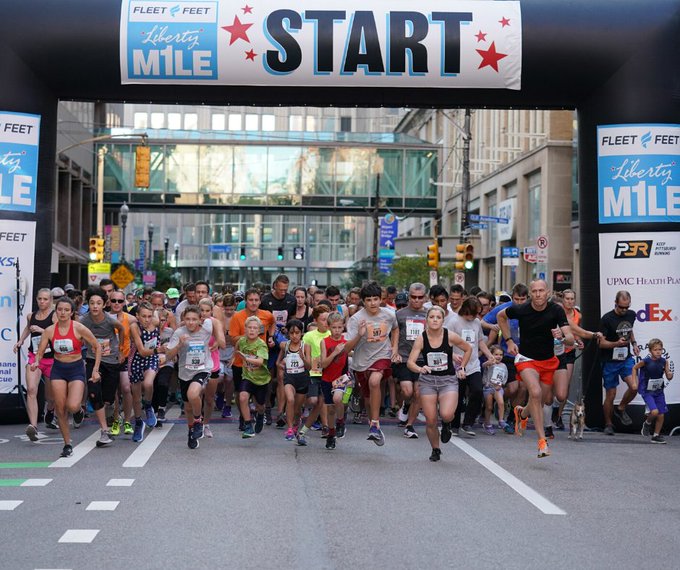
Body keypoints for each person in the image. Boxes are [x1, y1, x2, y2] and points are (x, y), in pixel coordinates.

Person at [497, 279, 574, 458]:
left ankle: (522, 413)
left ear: (548, 293)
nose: (538, 294)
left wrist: (562, 336)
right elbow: (501, 317)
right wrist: (508, 341)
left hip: (548, 361)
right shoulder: (521, 309)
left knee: (541, 400)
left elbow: (570, 337)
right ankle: (542, 442)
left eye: (541, 291)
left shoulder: (556, 310)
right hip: (526, 359)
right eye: (535, 291)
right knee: (536, 392)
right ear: (530, 294)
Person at [31, 297, 102, 458]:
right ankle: (67, 444)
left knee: (72, 405)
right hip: (58, 369)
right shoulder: (49, 330)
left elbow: (96, 346)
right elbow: (40, 352)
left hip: (76, 369)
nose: (62, 312)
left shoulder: (79, 328)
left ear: (71, 312)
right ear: (56, 311)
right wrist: (36, 362)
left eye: (66, 310)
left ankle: (78, 411)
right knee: (60, 408)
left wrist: (95, 370)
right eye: (60, 309)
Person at [407, 305, 472, 461]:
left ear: (443, 320)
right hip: (428, 381)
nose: (435, 320)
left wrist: (462, 367)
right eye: (432, 317)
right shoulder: (421, 338)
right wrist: (420, 368)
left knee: (447, 414)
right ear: (427, 319)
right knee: (430, 420)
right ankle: (435, 449)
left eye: (438, 317)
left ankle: (447, 424)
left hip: (448, 380)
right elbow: (410, 362)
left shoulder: (450, 336)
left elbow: (468, 348)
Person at [344, 281, 399, 447]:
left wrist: (394, 347)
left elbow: (395, 329)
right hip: (362, 361)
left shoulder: (389, 314)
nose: (373, 303)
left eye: (376, 299)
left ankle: (375, 424)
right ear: (363, 301)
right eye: (368, 300)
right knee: (367, 399)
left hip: (382, 355)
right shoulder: (356, 320)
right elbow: (347, 348)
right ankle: (373, 424)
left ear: (381, 299)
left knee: (375, 381)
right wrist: (359, 335)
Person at [548, 289, 601, 435]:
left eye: (573, 299)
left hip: (567, 352)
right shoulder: (552, 315)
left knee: (563, 389)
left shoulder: (576, 316)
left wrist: (580, 340)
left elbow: (577, 331)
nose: (570, 301)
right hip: (549, 354)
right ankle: (547, 418)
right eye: (568, 299)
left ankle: (557, 415)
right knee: (549, 388)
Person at [80, 287, 125, 448]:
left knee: (107, 398)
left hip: (111, 361)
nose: (95, 306)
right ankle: (104, 430)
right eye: (92, 303)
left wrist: (120, 349)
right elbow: (76, 332)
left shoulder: (110, 320)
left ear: (104, 304)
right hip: (93, 360)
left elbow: (121, 329)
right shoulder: (84, 320)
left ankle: (112, 411)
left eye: (98, 303)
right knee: (93, 392)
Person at [163, 305, 213, 449]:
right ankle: (191, 430)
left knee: (193, 394)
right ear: (183, 319)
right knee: (188, 407)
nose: (191, 322)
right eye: (188, 319)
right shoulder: (179, 332)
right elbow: (168, 356)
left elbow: (214, 317)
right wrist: (179, 345)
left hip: (202, 368)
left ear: (200, 320)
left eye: (194, 319)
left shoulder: (206, 330)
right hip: (184, 371)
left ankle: (198, 421)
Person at [483, 283, 529, 434]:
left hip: (526, 355)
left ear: (527, 298)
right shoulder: (505, 308)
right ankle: (498, 398)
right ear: (512, 297)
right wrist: (493, 327)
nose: (520, 303)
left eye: (523, 299)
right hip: (507, 354)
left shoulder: (532, 309)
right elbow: (483, 321)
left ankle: (510, 418)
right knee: (513, 388)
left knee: (523, 388)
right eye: (517, 299)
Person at [228, 288, 276, 430]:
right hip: (241, 361)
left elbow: (273, 323)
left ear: (260, 301)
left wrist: (271, 336)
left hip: (259, 362)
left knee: (259, 397)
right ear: (245, 301)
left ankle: (260, 413)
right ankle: (244, 419)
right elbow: (232, 339)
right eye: (250, 300)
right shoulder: (237, 317)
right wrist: (248, 336)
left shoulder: (266, 315)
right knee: (241, 393)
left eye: (256, 300)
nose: (253, 303)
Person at [14, 288, 58, 439]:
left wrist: (42, 329)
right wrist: (20, 340)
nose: (42, 302)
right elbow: (27, 328)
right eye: (40, 299)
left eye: (45, 299)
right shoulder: (31, 316)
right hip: (34, 357)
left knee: (51, 397)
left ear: (50, 300)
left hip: (51, 359)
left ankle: (50, 411)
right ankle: (33, 426)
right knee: (31, 389)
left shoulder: (54, 316)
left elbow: (59, 335)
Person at [450, 297, 495, 436]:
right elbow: (445, 342)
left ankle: (468, 422)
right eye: (473, 313)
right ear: (466, 310)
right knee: (458, 395)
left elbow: (479, 341)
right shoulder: (454, 322)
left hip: (474, 363)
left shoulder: (476, 322)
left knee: (477, 391)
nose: (475, 317)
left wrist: (488, 355)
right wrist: (452, 355)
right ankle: (454, 425)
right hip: (457, 364)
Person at [598, 290, 640, 435]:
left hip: (625, 359)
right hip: (609, 361)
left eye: (626, 307)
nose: (624, 310)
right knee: (611, 394)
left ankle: (621, 408)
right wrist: (616, 343)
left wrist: (634, 344)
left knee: (634, 386)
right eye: (621, 307)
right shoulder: (607, 318)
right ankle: (608, 424)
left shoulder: (631, 314)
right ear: (615, 303)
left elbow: (630, 329)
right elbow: (601, 344)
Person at [393, 283, 428, 439]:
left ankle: (410, 425)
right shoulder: (399, 314)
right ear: (409, 297)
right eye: (413, 297)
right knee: (407, 392)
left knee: (418, 393)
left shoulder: (429, 314)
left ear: (425, 298)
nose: (416, 300)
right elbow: (393, 335)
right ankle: (406, 404)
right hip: (405, 358)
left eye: (420, 298)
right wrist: (395, 352)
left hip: (423, 359)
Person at [296, 305, 332, 445]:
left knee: (321, 403)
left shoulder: (331, 333)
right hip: (313, 372)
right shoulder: (309, 336)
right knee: (312, 401)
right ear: (316, 320)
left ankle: (305, 431)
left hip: (328, 373)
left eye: (327, 319)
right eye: (323, 319)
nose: (326, 322)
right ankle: (300, 411)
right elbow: (307, 355)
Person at [127, 301, 161, 442]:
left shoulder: (156, 321)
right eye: (143, 316)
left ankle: (148, 406)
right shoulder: (134, 327)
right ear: (137, 316)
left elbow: (159, 312)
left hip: (152, 358)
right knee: (136, 398)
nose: (147, 319)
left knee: (148, 384)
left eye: (149, 316)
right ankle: (139, 422)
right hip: (137, 359)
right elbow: (141, 350)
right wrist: (158, 349)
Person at [319, 312, 350, 450]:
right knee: (330, 409)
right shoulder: (324, 342)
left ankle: (341, 421)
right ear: (329, 327)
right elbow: (324, 364)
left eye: (339, 327)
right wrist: (335, 352)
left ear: (343, 327)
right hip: (327, 378)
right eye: (334, 327)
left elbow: (354, 351)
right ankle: (331, 434)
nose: (337, 331)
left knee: (338, 399)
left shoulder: (346, 341)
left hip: (341, 377)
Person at [236, 316, 271, 438]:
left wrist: (246, 358)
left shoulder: (261, 345)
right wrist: (233, 358)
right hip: (247, 376)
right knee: (243, 396)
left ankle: (261, 415)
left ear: (259, 330)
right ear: (245, 329)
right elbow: (237, 349)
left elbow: (260, 361)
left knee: (260, 405)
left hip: (261, 380)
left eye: (255, 328)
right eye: (249, 327)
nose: (251, 330)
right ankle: (248, 425)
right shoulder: (241, 341)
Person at [634, 338, 673, 444]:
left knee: (661, 415)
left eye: (660, 349)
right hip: (647, 391)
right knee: (654, 412)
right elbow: (634, 368)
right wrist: (635, 382)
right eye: (655, 350)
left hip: (659, 391)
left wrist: (670, 375)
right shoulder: (645, 361)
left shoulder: (664, 361)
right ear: (650, 351)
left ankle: (656, 436)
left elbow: (668, 374)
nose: (658, 352)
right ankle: (647, 423)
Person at [276, 319, 310, 440]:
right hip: (289, 378)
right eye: (292, 333)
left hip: (302, 379)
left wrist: (303, 357)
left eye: (297, 333)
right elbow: (278, 363)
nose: (294, 336)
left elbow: (309, 366)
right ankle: (290, 429)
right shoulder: (285, 346)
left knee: (297, 408)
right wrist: (283, 365)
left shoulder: (305, 346)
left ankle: (296, 423)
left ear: (301, 333)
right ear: (288, 334)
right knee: (290, 400)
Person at [198, 298, 226, 438]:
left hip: (212, 363)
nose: (204, 313)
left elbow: (223, 343)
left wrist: (215, 338)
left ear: (211, 311)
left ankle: (206, 424)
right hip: (196, 364)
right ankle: (197, 422)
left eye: (207, 311)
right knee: (197, 394)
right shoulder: (192, 321)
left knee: (209, 398)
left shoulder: (215, 322)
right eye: (201, 310)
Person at [109, 289, 135, 437]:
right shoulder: (103, 318)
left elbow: (151, 322)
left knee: (126, 388)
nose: (117, 304)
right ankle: (115, 420)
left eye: (120, 301)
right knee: (113, 391)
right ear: (109, 302)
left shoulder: (130, 319)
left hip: (124, 359)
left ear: (124, 302)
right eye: (114, 301)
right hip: (108, 360)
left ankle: (127, 420)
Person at [481, 345, 509, 434]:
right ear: (491, 354)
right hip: (488, 387)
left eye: (501, 355)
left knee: (501, 403)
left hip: (498, 388)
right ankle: (487, 423)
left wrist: (502, 384)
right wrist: (489, 362)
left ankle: (501, 420)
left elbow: (505, 376)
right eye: (496, 354)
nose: (498, 356)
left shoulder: (503, 365)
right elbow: (483, 365)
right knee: (489, 407)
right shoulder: (489, 364)